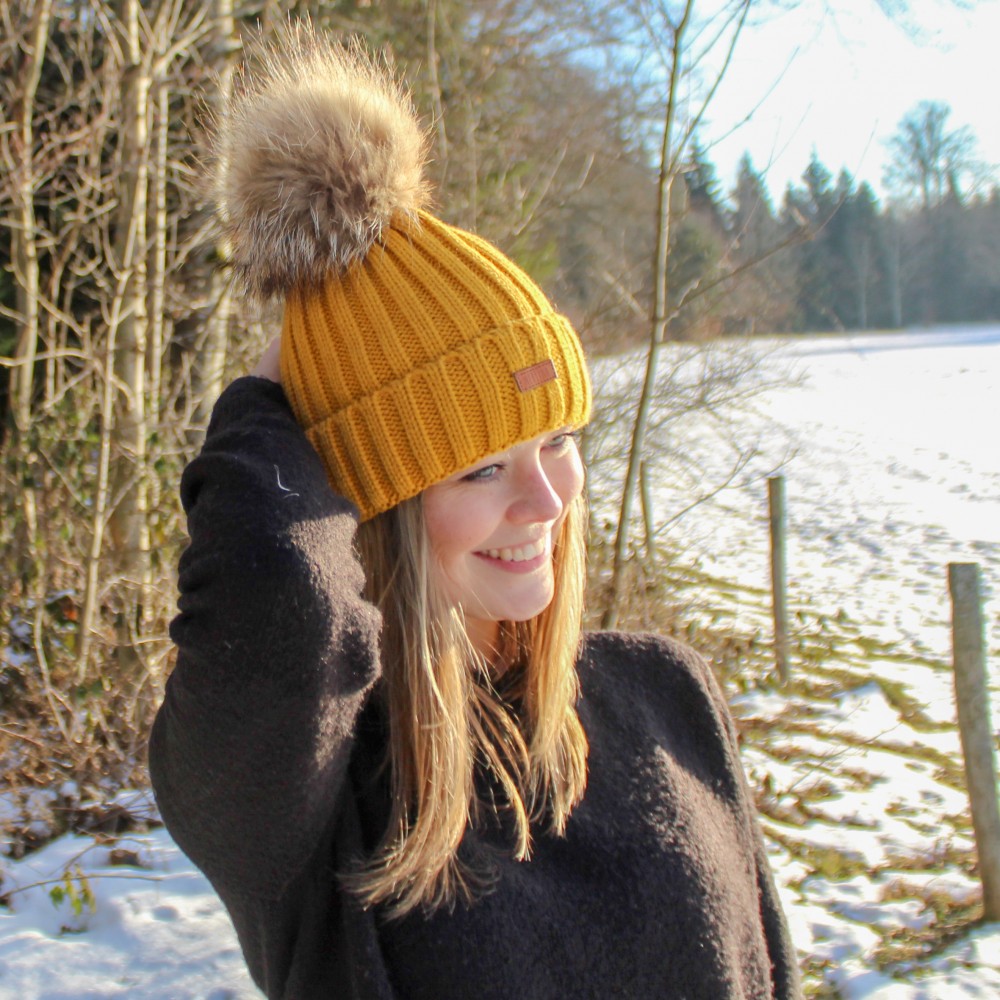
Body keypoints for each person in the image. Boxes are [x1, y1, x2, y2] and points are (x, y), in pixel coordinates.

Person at [149, 25, 801, 1000]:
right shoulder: (307, 801)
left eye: (557, 441)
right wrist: (275, 393)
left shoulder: (669, 695)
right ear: (373, 504)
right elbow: (277, 598)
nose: (547, 499)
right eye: (478, 469)